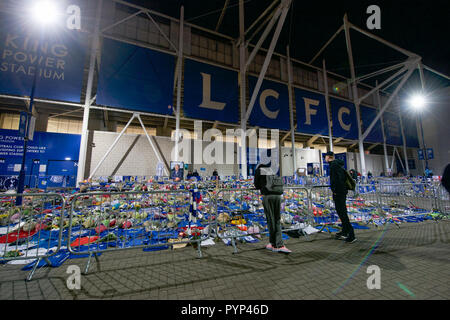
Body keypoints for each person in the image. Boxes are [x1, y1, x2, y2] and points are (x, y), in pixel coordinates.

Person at [254, 162, 291, 253]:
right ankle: (275, 243)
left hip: (268, 196)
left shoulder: (259, 170)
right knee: (277, 220)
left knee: (271, 220)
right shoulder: (271, 170)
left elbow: (256, 185)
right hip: (277, 196)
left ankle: (277, 245)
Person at [325, 151, 356, 243]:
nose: (325, 159)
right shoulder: (336, 165)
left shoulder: (334, 165)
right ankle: (345, 231)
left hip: (339, 193)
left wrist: (335, 191)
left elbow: (338, 179)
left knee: (342, 213)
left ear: (329, 157)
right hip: (340, 192)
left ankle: (351, 235)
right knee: (341, 213)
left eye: (325, 157)